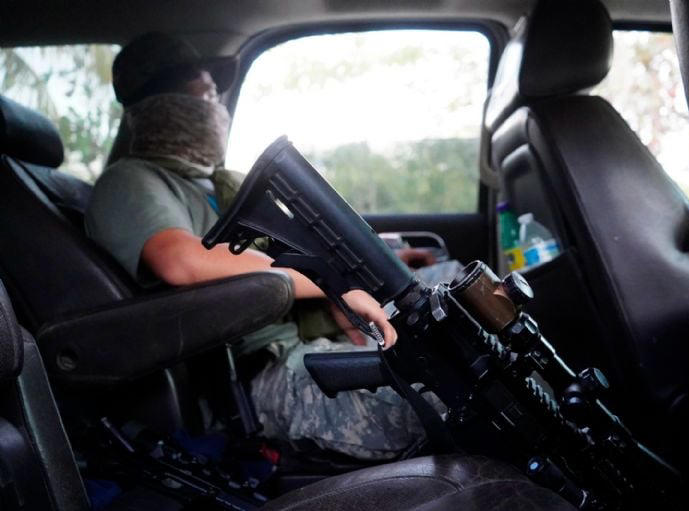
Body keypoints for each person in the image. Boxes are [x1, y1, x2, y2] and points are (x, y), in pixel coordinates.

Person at [86, 33, 435, 461]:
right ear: (162, 103)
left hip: (301, 340)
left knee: (460, 317)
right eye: (206, 92)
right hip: (257, 371)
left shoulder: (215, 183)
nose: (215, 106)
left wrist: (370, 268)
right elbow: (181, 260)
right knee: (443, 395)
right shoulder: (131, 181)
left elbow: (287, 246)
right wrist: (331, 283)